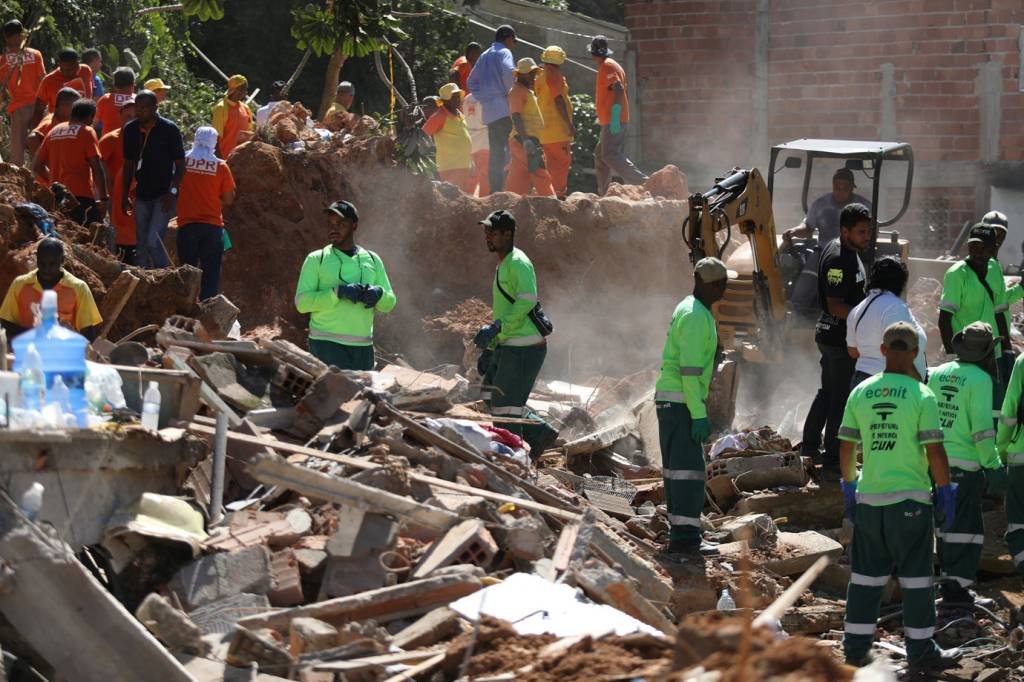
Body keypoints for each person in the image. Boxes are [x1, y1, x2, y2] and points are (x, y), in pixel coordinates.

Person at [838, 321, 961, 672]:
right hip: (910, 504)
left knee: (865, 579)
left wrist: (849, 488)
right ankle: (921, 652)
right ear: (913, 353)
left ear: (882, 350)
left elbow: (846, 448)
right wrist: (944, 492)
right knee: (917, 580)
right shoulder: (923, 396)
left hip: (870, 501)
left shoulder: (861, 392)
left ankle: (855, 651)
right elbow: (935, 452)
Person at [654, 257, 730, 558]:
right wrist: (699, 414)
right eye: (723, 283)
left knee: (676, 472)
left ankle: (680, 534)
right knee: (688, 473)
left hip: (672, 402)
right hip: (682, 404)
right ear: (712, 284)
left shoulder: (688, 307)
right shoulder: (697, 316)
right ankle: (686, 540)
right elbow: (689, 372)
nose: (725, 289)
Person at [928, 322, 1001, 605]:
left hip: (936, 464)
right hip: (965, 467)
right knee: (967, 530)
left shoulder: (939, 373)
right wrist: (993, 466)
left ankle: (949, 585)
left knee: (944, 526)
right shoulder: (981, 381)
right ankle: (958, 593)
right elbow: (982, 432)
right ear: (985, 354)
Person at [474, 210, 558, 455]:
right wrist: (492, 347)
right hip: (510, 344)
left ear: (508, 234)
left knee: (505, 409)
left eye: (493, 232)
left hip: (523, 347)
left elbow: (527, 300)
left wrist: (498, 328)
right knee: (490, 393)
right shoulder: (504, 263)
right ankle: (539, 433)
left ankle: (514, 460)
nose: (487, 236)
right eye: (486, 232)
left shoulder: (518, 262)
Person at [801, 203, 870, 476]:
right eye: (861, 232)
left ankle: (809, 447)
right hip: (837, 339)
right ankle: (831, 460)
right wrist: (865, 317)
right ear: (845, 231)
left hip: (834, 336)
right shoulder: (839, 259)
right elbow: (834, 304)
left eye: (868, 231)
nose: (867, 236)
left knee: (828, 392)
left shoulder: (847, 251)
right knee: (840, 398)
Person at [294, 200, 396, 370]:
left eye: (341, 223)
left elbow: (390, 303)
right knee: (333, 397)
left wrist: (379, 294)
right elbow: (302, 303)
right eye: (330, 223)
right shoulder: (316, 259)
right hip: (326, 347)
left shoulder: (372, 259)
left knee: (363, 397)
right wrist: (337, 292)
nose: (334, 228)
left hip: (363, 349)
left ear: (354, 226)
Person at [122, 89, 185, 268]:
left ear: (155, 108)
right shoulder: (130, 130)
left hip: (163, 195)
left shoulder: (169, 130)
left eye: (145, 108)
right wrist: (124, 194)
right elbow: (128, 165)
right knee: (141, 244)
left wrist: (173, 192)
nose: (140, 111)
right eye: (138, 107)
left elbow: (181, 166)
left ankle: (166, 278)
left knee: (153, 241)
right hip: (141, 194)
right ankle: (142, 282)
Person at [939, 223, 1010, 376]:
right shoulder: (956, 274)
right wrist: (951, 356)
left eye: (983, 247)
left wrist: (1007, 351)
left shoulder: (995, 269)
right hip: (965, 355)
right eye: (974, 246)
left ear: (993, 249)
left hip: (992, 355)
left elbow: (1000, 314)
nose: (977, 252)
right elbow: (944, 319)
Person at [176, 126, 236, 300]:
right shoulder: (221, 166)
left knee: (187, 273)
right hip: (212, 226)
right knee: (211, 273)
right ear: (214, 143)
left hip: (187, 225)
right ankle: (207, 311)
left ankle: (185, 308)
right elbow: (229, 199)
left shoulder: (183, 160)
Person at [0, 238, 102, 340]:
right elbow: (5, 324)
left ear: (62, 261)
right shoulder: (20, 284)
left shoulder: (79, 288)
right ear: (37, 259)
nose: (46, 269)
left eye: (52, 264)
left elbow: (88, 333)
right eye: (42, 263)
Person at [847, 256, 926, 386]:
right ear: (900, 282)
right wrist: (919, 383)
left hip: (860, 381)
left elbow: (853, 351)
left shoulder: (857, 309)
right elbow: (900, 352)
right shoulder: (895, 307)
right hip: (888, 384)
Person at [32, 98, 108, 226]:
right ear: (90, 116)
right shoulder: (87, 131)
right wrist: (103, 198)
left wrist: (52, 181)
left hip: (56, 197)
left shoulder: (54, 130)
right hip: (81, 197)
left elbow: (37, 166)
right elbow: (97, 169)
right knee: (90, 239)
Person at [589, 35, 646, 195]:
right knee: (601, 156)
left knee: (610, 154)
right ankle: (605, 193)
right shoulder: (611, 65)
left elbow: (618, 89)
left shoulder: (607, 67)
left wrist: (614, 115)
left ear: (593, 53)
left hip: (614, 119)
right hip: (611, 119)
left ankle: (643, 182)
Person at [467, 25, 516, 195]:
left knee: (495, 152)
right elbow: (509, 72)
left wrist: (485, 97)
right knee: (510, 149)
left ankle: (495, 190)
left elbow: (471, 82)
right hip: (504, 108)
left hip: (489, 112)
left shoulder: (484, 55)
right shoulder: (504, 52)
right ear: (508, 38)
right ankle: (506, 190)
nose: (513, 45)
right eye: (513, 41)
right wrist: (508, 94)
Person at [506, 58, 555, 197]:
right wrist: (526, 140)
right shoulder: (516, 91)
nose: (534, 76)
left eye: (534, 72)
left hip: (524, 139)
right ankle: (552, 204)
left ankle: (509, 203)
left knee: (518, 179)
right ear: (521, 74)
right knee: (540, 172)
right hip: (523, 139)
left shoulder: (525, 90)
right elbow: (516, 116)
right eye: (531, 73)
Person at [784, 169, 873, 246]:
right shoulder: (819, 205)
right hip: (824, 253)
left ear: (852, 188)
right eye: (837, 187)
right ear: (832, 186)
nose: (840, 192)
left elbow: (872, 232)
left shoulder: (865, 207)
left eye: (845, 188)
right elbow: (808, 227)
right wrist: (794, 231)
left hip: (855, 255)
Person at [1, 20, 45, 167]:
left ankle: (18, 182)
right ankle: (41, 177)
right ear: (21, 35)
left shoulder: (4, 60)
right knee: (39, 145)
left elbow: (1, 87)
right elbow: (43, 80)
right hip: (37, 106)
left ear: (6, 37)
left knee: (17, 152)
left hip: (19, 108)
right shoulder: (35, 54)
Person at [98, 95, 137, 263]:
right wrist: (109, 187)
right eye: (128, 116)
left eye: (135, 117)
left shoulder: (146, 138)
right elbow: (99, 163)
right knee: (119, 233)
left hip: (139, 195)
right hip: (116, 195)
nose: (131, 120)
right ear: (120, 116)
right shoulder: (110, 139)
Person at [997, 345, 1024, 576]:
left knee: (1019, 522)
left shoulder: (1023, 362)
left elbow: (1009, 412)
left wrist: (1002, 451)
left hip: (1021, 455)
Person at [535, 46, 575, 199]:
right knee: (562, 162)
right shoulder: (554, 74)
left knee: (550, 163)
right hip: (557, 128)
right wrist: (568, 124)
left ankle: (548, 194)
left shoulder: (540, 75)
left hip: (544, 129)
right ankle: (558, 195)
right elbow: (558, 100)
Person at [422, 83, 474, 193]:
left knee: (466, 198)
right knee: (454, 198)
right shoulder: (439, 116)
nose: (458, 99)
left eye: (458, 96)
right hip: (451, 166)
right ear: (445, 101)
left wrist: (472, 162)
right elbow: (423, 134)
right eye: (454, 97)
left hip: (465, 164)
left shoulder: (460, 113)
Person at [32, 48, 92, 125]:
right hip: (58, 126)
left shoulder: (86, 71)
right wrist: (35, 131)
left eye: (74, 68)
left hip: (83, 123)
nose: (71, 73)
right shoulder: (49, 80)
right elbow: (39, 110)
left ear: (78, 63)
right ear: (59, 65)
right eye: (66, 70)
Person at [27, 86, 77, 159]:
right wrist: (42, 167)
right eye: (74, 106)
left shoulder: (69, 120)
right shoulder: (49, 122)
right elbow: (32, 139)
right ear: (62, 105)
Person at [211, 74, 253, 159]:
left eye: (245, 89)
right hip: (223, 157)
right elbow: (215, 137)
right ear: (233, 89)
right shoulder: (221, 108)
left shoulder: (246, 108)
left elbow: (249, 134)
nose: (245, 92)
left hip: (240, 159)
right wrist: (220, 160)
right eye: (241, 89)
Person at [94, 66, 135, 137]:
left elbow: (93, 123)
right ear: (133, 84)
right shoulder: (139, 101)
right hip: (133, 145)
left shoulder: (105, 99)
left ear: (115, 85)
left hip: (108, 144)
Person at [463, 92, 489, 196]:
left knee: (472, 173)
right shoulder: (486, 96)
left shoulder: (467, 98)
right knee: (485, 174)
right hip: (484, 137)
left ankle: (468, 199)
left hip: (470, 135)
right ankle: (484, 199)